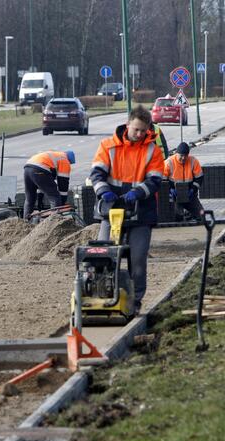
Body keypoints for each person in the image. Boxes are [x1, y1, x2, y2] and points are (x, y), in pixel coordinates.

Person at [89, 105, 165, 311]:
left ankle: (135, 301)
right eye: (136, 130)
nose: (139, 134)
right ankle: (100, 296)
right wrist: (103, 191)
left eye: (143, 131)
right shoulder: (108, 146)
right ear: (128, 124)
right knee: (104, 252)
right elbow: (96, 174)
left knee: (138, 258)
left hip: (141, 211)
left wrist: (137, 192)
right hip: (111, 209)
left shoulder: (152, 150)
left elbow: (155, 180)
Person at [23, 150, 75, 219]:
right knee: (55, 197)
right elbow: (63, 184)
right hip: (40, 169)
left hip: (27, 169)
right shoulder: (65, 161)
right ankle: (53, 223)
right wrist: (62, 202)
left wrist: (40, 197)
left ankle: (26, 222)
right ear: (69, 160)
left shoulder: (54, 157)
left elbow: (42, 183)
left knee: (29, 198)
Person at [164, 142, 204, 221]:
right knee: (177, 217)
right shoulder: (169, 162)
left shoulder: (193, 161)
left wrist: (193, 189)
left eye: (185, 156)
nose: (183, 158)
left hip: (190, 195)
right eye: (181, 155)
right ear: (176, 154)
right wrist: (169, 190)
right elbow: (162, 180)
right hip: (174, 197)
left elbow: (199, 178)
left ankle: (188, 213)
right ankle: (183, 213)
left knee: (202, 215)